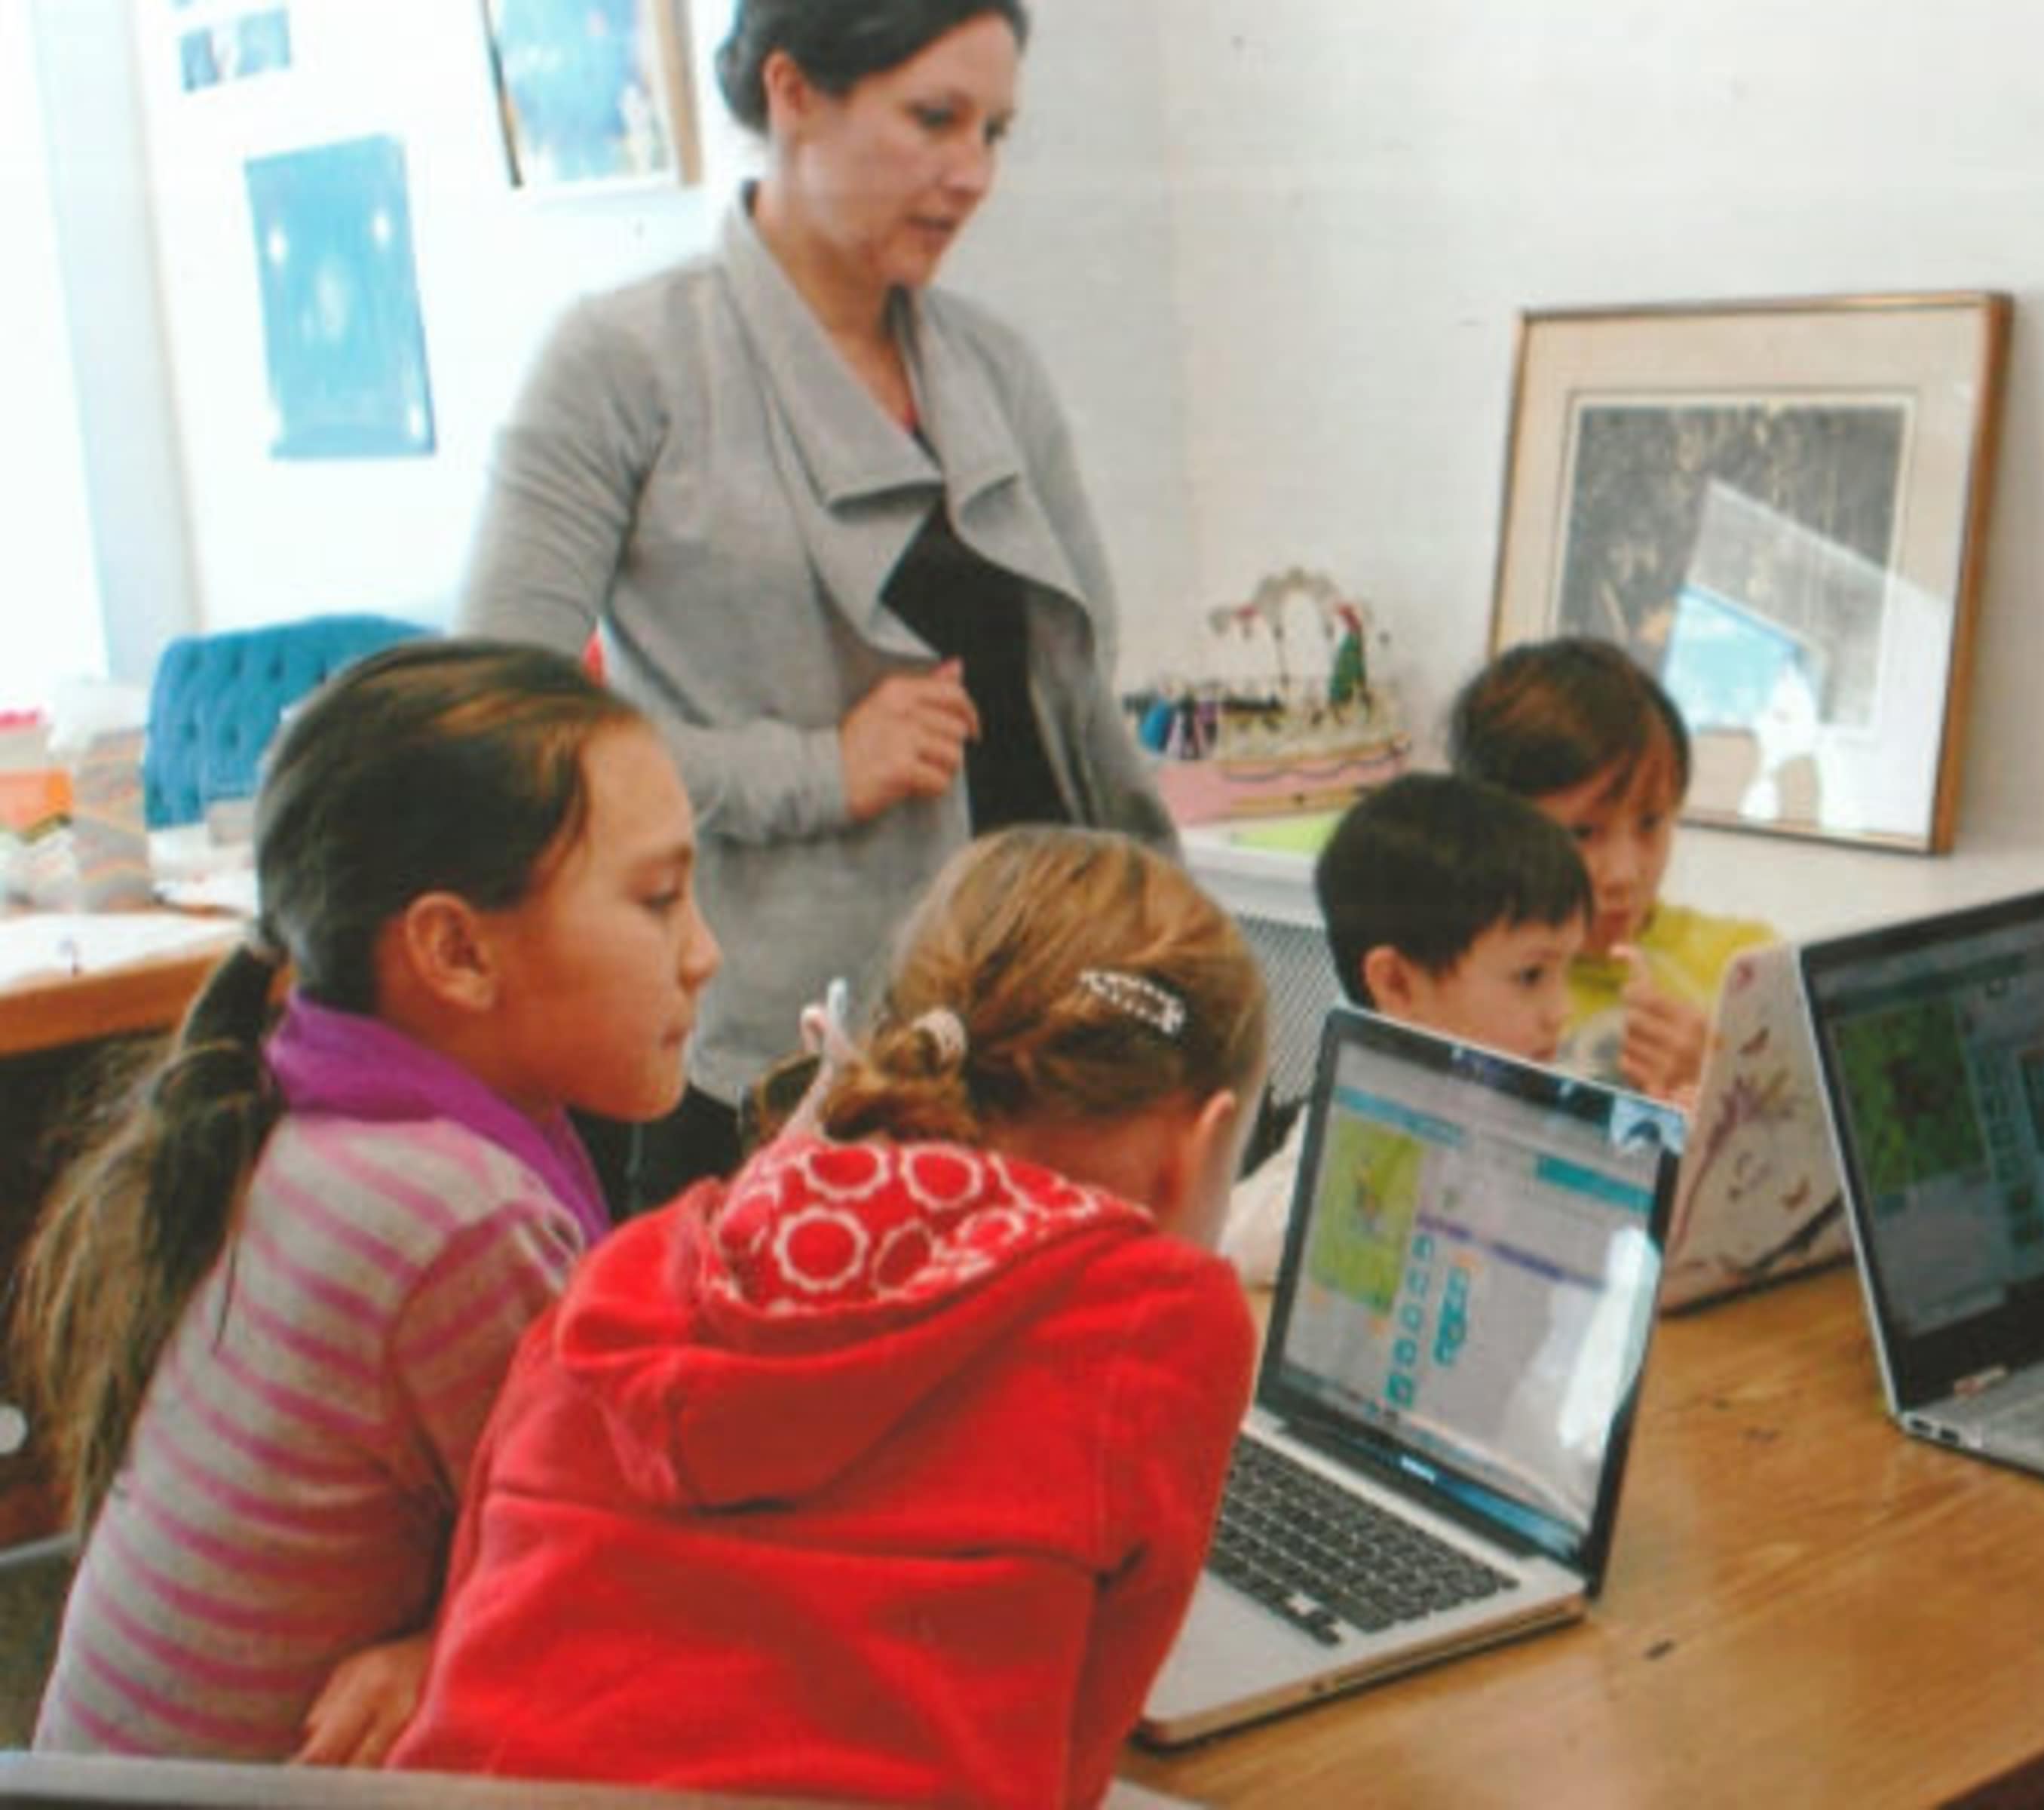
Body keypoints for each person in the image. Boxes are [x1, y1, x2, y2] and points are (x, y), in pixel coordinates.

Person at [461, 0, 1173, 1213]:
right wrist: (815, 770)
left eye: (994, 131)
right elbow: (492, 726)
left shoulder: (994, 368)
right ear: (792, 94)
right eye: (934, 119)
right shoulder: (623, 364)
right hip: (784, 1072)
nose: (973, 173)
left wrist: (1173, 957)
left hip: (1043, 1046)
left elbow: (1079, 716)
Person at [389, 827, 1261, 1807]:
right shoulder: (1167, 1317)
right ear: (1202, 1147)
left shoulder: (624, 1278)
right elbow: (1071, 1768)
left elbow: (483, 1617)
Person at [12, 642, 717, 1763]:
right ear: (455, 950)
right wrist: (452, 1650)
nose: (704, 955)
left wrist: (438, 1644)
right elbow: (637, 1580)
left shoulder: (303, 1119)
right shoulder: (456, 1220)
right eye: (659, 901)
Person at [1219, 772, 1592, 1284]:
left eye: (1567, 972)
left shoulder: (1532, 1090)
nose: (1561, 1009)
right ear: (1397, 984)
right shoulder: (1367, 1105)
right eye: (1531, 976)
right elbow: (1237, 1239)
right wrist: (1402, 1179)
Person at [1448, 637, 1773, 1102]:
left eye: (1651, 823)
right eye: (1583, 833)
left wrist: (1727, 1080)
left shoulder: (1746, 971)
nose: (1624, 874)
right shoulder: (1457, 976)